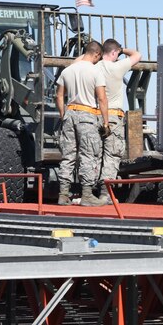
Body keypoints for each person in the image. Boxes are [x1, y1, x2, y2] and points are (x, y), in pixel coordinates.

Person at [55, 40, 110, 206]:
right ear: (97, 54)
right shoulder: (95, 71)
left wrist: (64, 115)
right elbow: (101, 98)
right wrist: (106, 122)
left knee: (68, 156)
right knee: (88, 154)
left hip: (70, 113)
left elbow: (59, 96)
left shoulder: (68, 70)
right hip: (87, 115)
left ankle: (63, 195)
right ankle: (87, 195)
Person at [95, 39, 141, 195]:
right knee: (112, 153)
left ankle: (88, 189)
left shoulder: (94, 67)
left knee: (94, 153)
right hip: (113, 116)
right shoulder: (118, 67)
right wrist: (122, 50)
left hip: (94, 115)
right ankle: (105, 192)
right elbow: (137, 55)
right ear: (114, 52)